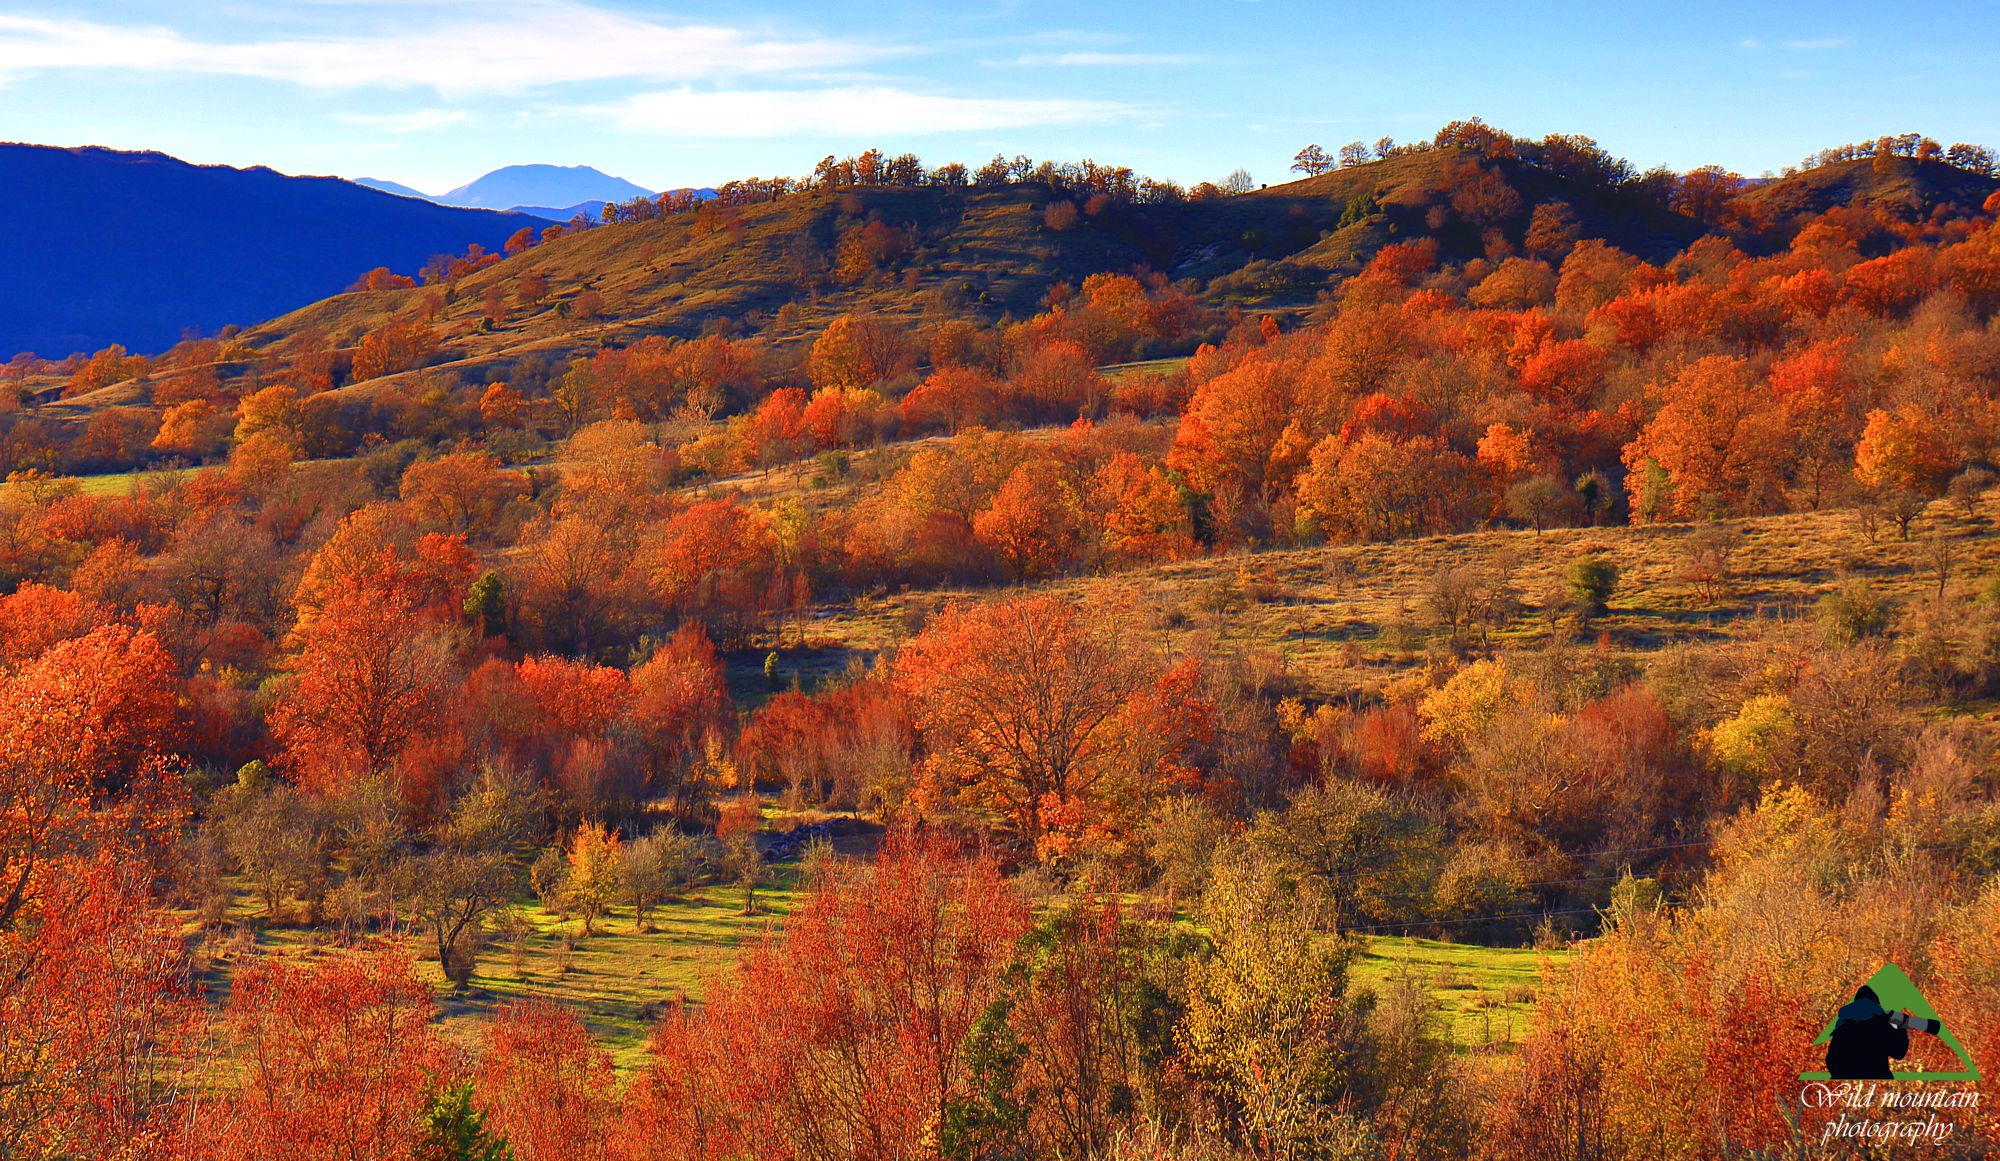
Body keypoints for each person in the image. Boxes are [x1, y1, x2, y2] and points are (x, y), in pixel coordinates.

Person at [1825, 985, 1909, 1080]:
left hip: (1846, 1084)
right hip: (1876, 1080)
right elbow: (1899, 1052)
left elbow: (1831, 1059)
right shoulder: (1881, 1025)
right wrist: (1901, 1028)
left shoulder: (1843, 1026)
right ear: (1876, 1005)